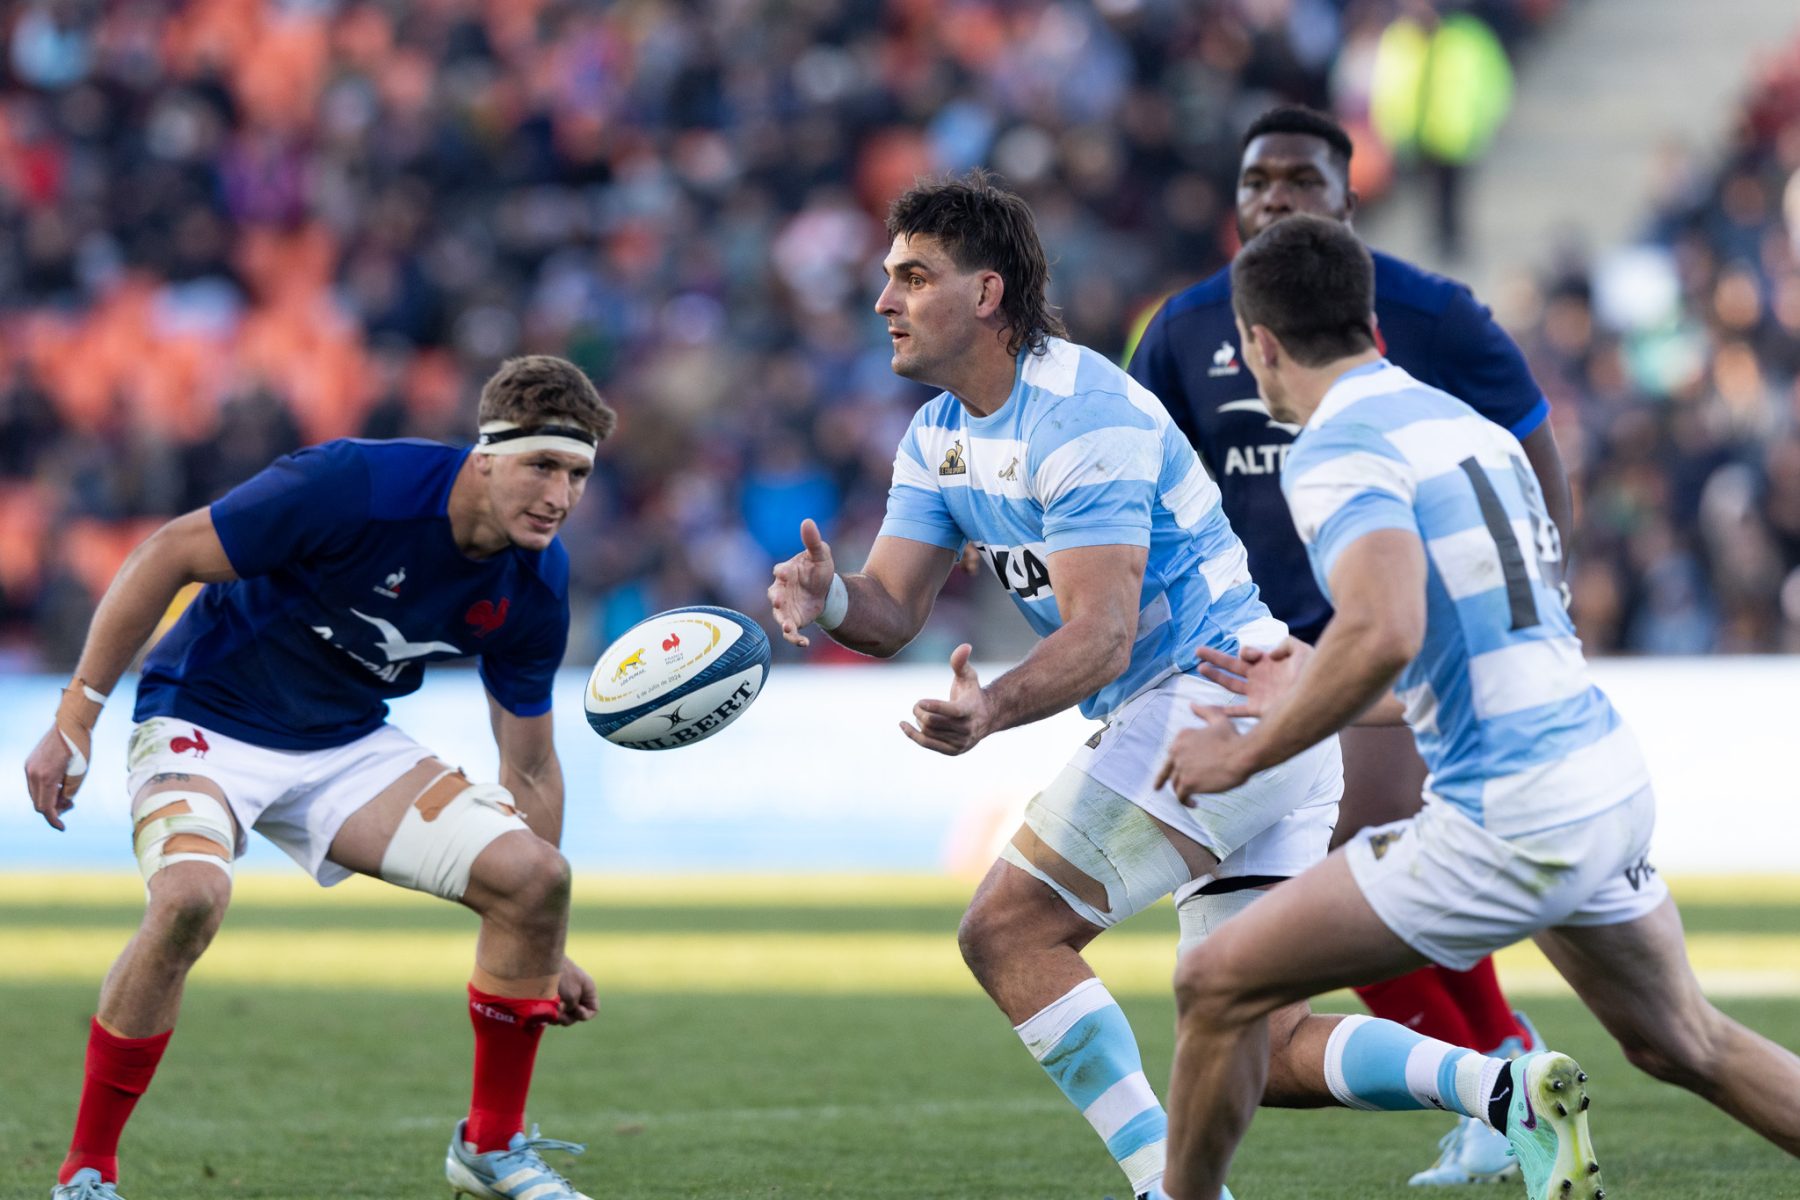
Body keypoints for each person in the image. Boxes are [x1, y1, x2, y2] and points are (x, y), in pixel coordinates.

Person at [1154, 214, 1800, 1200]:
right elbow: (1440, 649)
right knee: (1687, 1043)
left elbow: (1385, 631)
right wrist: (1313, 672)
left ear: (1259, 346)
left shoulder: (1334, 449)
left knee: (1214, 981)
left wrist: (1243, 754)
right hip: (1601, 774)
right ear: (1370, 320)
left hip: (1511, 816)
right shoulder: (1463, 424)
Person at [768, 170, 1342, 1200]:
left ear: (984, 295)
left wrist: (989, 708)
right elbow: (893, 605)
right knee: (1263, 1036)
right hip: (1248, 706)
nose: (882, 301)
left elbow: (1105, 637)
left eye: (911, 276)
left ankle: (1165, 1187)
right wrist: (833, 601)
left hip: (1213, 696)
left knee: (1007, 931)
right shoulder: (940, 432)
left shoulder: (1083, 415)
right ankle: (1507, 1090)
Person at [23, 355, 612, 1200]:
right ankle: (87, 1172)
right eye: (542, 465)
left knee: (534, 879)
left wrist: (545, 949)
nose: (560, 495)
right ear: (484, 455)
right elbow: (167, 553)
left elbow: (528, 761)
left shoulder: (537, 580)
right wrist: (73, 720)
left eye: (579, 474)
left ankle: (490, 1147)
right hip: (205, 717)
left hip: (343, 744)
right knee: (189, 898)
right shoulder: (352, 484)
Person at [1128, 103, 1570, 1186]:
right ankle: (1505, 1070)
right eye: (1256, 181)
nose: (1274, 197)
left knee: (1342, 873)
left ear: (1347, 199)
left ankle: (1497, 1075)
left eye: (1300, 179)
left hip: (1381, 649)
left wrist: (1545, 597)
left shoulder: (1433, 315)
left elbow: (1533, 451)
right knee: (1379, 884)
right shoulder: (1185, 329)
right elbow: (1137, 490)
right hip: (1248, 656)